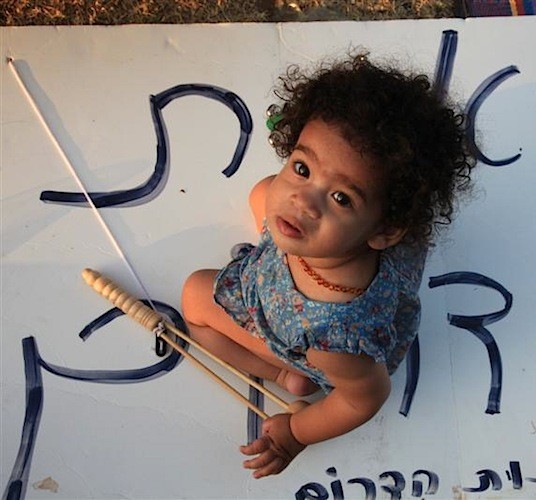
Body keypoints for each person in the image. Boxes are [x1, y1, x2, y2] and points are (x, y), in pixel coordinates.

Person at [181, 52, 475, 478]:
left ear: (385, 231)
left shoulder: (331, 337)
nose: (303, 199)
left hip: (295, 324)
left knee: (194, 296)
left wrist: (297, 432)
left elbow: (365, 397)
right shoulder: (369, 230)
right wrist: (328, 204)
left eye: (340, 197)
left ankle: (283, 374)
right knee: (264, 191)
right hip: (325, 262)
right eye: (301, 168)